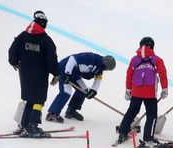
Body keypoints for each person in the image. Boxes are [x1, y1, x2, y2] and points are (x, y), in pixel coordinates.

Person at [8, 10, 59, 138]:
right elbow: (51, 59)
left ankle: (24, 124)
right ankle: (33, 126)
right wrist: (56, 73)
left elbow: (13, 49)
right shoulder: (45, 40)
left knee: (30, 98)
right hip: (40, 75)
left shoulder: (23, 36)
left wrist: (14, 62)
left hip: (25, 73)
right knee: (39, 100)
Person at [117, 37, 168, 147]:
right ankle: (148, 139)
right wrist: (165, 88)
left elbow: (129, 75)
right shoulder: (157, 59)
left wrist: (128, 89)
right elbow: (163, 74)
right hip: (150, 93)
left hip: (136, 91)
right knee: (152, 115)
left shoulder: (134, 59)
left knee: (132, 111)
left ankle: (122, 132)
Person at [46, 52, 116, 122]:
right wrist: (67, 74)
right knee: (66, 92)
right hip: (64, 70)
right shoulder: (90, 58)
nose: (106, 70)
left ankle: (71, 111)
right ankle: (52, 114)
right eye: (107, 68)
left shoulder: (99, 68)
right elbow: (72, 58)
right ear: (105, 64)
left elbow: (98, 79)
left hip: (74, 74)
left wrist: (93, 90)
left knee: (83, 90)